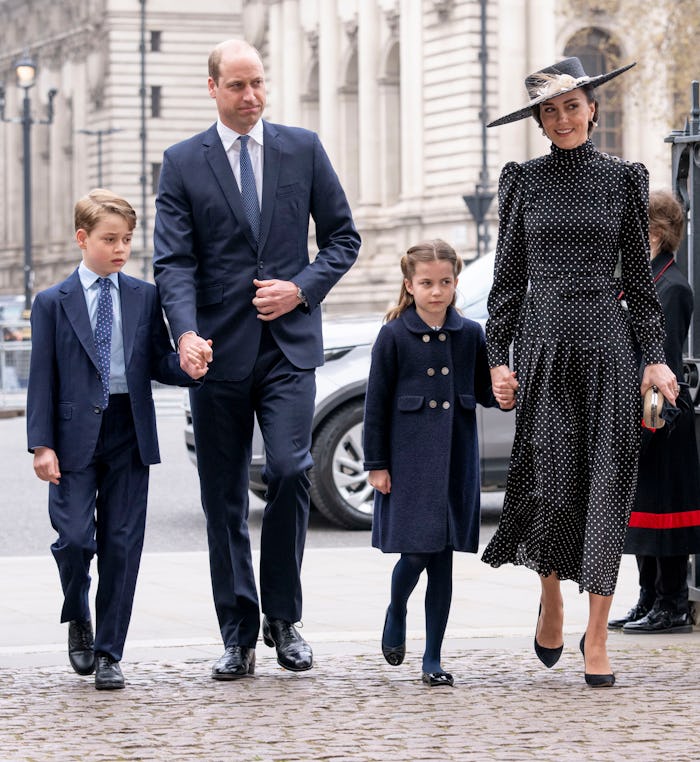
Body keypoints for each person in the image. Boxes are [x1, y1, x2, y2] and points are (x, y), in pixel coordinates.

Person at [153, 39, 360, 680]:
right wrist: (184, 333)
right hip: (214, 354)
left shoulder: (302, 148)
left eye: (259, 84)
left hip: (289, 347)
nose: (252, 97)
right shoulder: (183, 162)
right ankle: (237, 632)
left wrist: (301, 287)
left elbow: (343, 237)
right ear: (212, 87)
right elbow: (173, 261)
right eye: (238, 86)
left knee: (295, 472)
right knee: (222, 500)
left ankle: (285, 620)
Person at [481, 57, 679, 687]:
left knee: (607, 488)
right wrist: (498, 358)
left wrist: (654, 358)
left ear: (593, 108)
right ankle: (552, 596)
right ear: (539, 120)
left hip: (608, 349)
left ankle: (597, 633)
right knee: (551, 484)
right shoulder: (522, 181)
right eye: (551, 109)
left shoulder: (625, 180)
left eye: (574, 105)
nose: (564, 118)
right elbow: (506, 284)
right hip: (542, 349)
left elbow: (641, 290)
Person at [26, 189, 204, 690]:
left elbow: (158, 361)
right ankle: (78, 615)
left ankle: (109, 651)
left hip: (129, 429)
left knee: (123, 547)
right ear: (83, 239)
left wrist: (190, 365)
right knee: (77, 539)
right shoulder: (51, 303)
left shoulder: (144, 296)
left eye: (127, 239)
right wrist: (41, 443)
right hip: (71, 435)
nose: (121, 248)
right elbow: (41, 377)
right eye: (110, 239)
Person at [363, 240, 506, 687]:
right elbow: (376, 404)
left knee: (442, 560)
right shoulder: (393, 335)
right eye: (426, 283)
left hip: (455, 461)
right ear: (410, 284)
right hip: (409, 462)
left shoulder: (470, 334)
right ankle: (396, 608)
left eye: (445, 282)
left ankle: (433, 658)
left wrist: (502, 389)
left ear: (456, 283)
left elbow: (484, 391)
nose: (437, 291)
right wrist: (377, 464)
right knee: (417, 551)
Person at [608, 189, 700, 634]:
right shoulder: (642, 281)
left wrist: (645, 427)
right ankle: (647, 597)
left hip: (660, 419)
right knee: (641, 517)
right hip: (637, 415)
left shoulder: (673, 286)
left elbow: (661, 364)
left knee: (665, 519)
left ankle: (673, 603)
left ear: (657, 234)